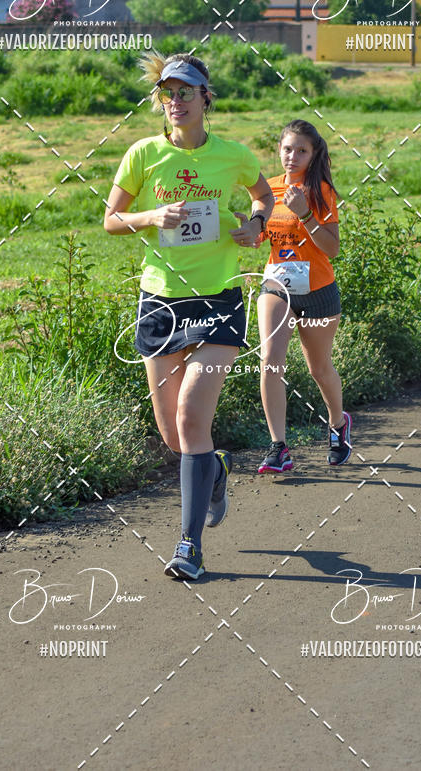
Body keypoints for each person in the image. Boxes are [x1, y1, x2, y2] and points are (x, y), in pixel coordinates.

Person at [104, 51, 274, 580]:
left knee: (190, 419)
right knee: (175, 439)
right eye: (167, 94)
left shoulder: (233, 155)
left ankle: (189, 547)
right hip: (159, 302)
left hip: (219, 299)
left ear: (206, 98)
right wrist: (152, 215)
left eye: (185, 93)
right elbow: (111, 220)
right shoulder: (143, 154)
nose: (175, 102)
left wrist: (256, 225)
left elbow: (264, 196)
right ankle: (216, 471)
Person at [256, 119, 351, 473]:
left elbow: (332, 247)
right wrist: (250, 230)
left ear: (313, 155)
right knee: (270, 361)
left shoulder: (321, 191)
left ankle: (338, 426)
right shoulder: (268, 190)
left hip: (317, 291)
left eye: (301, 150)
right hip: (277, 286)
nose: (292, 156)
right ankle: (278, 447)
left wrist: (306, 215)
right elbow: (264, 236)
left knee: (319, 368)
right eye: (286, 149)